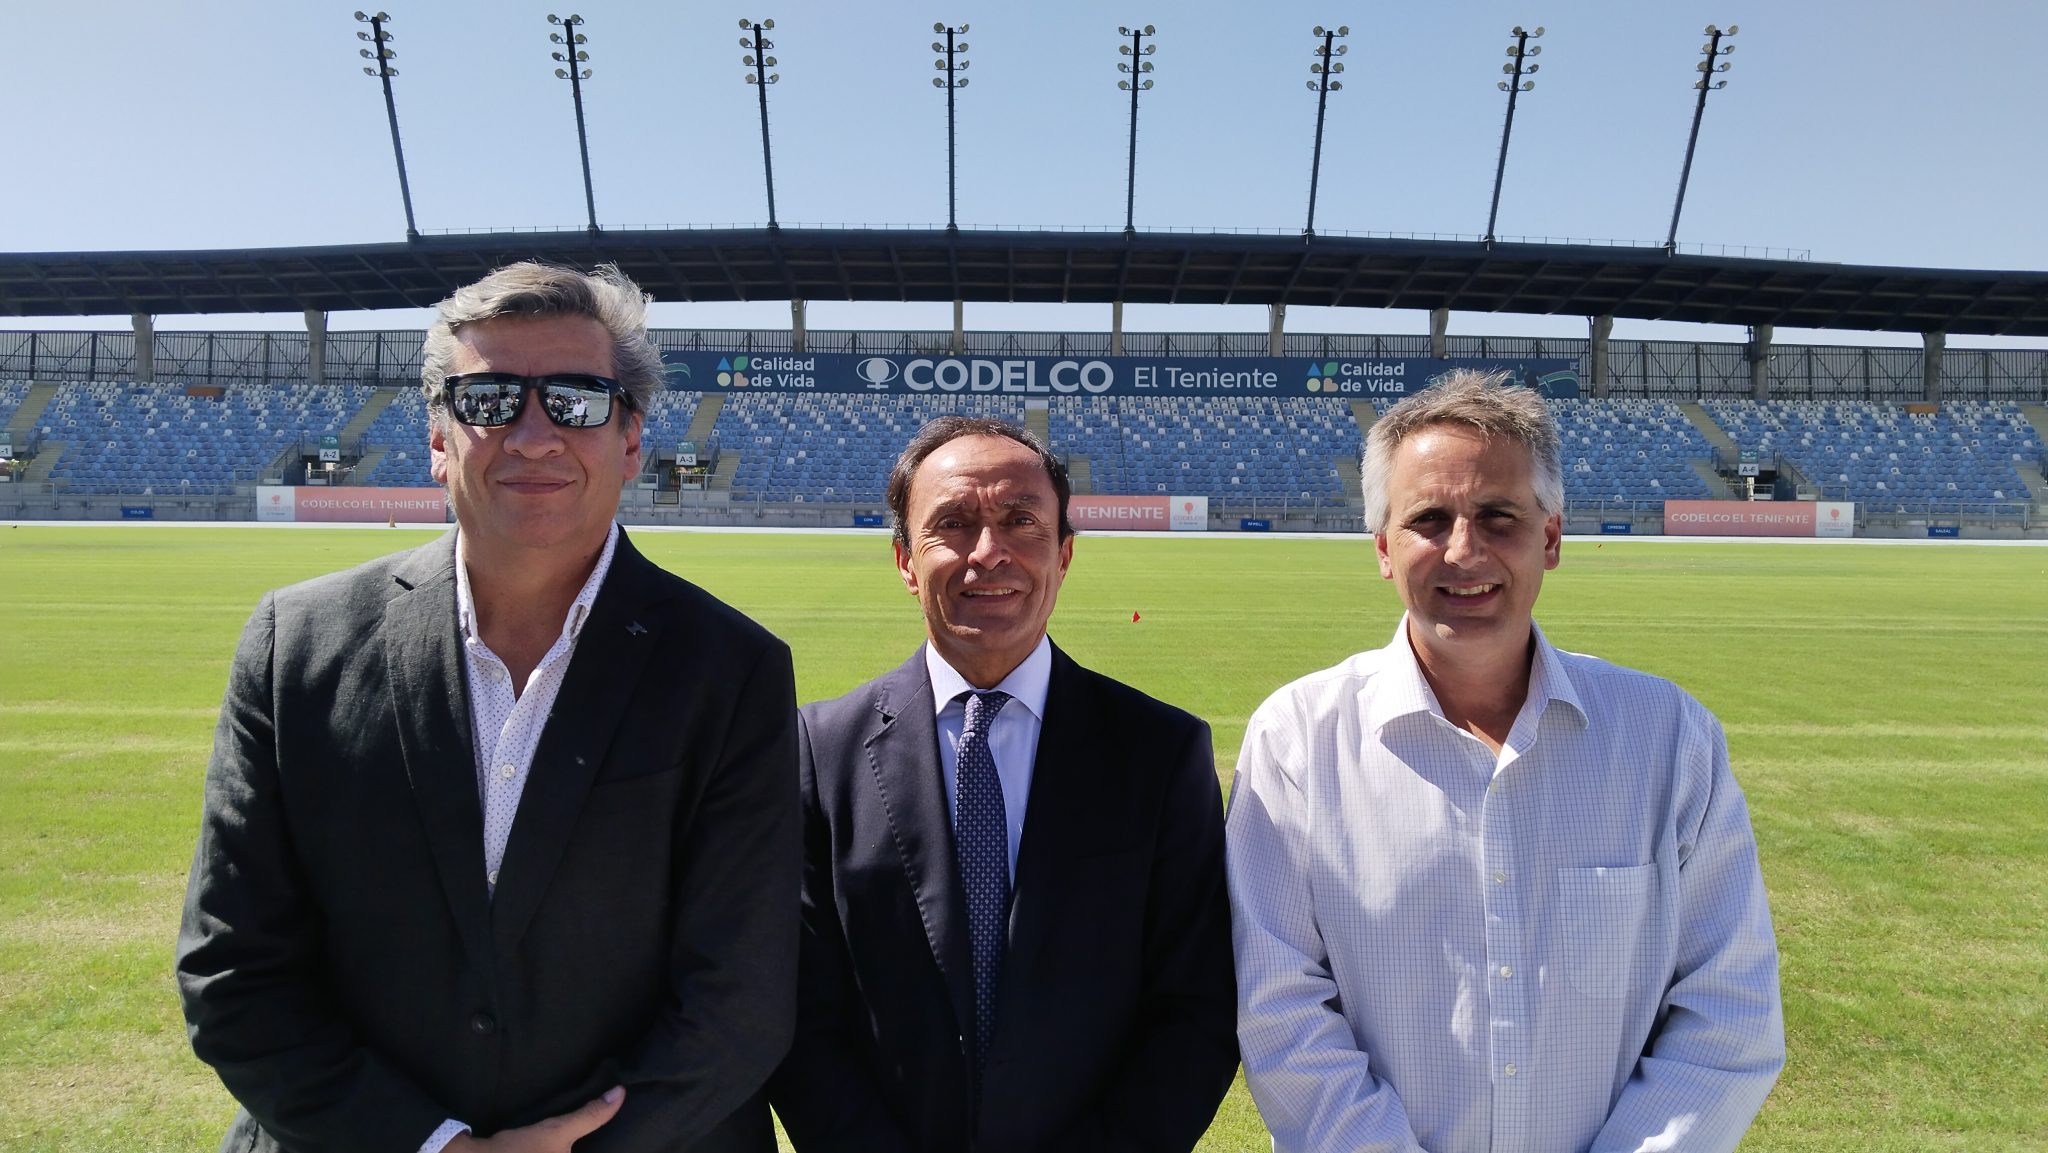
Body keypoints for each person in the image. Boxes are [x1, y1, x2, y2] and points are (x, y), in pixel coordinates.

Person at [177, 262, 799, 1153]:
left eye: (578, 400)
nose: (535, 435)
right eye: (492, 398)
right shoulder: (295, 644)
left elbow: (740, 997)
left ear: (630, 439)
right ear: (438, 436)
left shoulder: (733, 670)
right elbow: (234, 967)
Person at [1227, 372, 1784, 1153]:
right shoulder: (1296, 740)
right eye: (1429, 519)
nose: (1464, 549)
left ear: (1549, 538)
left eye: (1498, 516)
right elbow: (1281, 1012)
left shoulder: (1667, 736)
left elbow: (1730, 1010)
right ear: (1385, 549)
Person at [768, 416, 1238, 1152]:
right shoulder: (818, 749)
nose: (989, 552)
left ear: (1065, 552)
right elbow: (798, 1010)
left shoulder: (1161, 751)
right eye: (952, 523)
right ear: (904, 559)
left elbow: (1196, 1009)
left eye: (1021, 521)